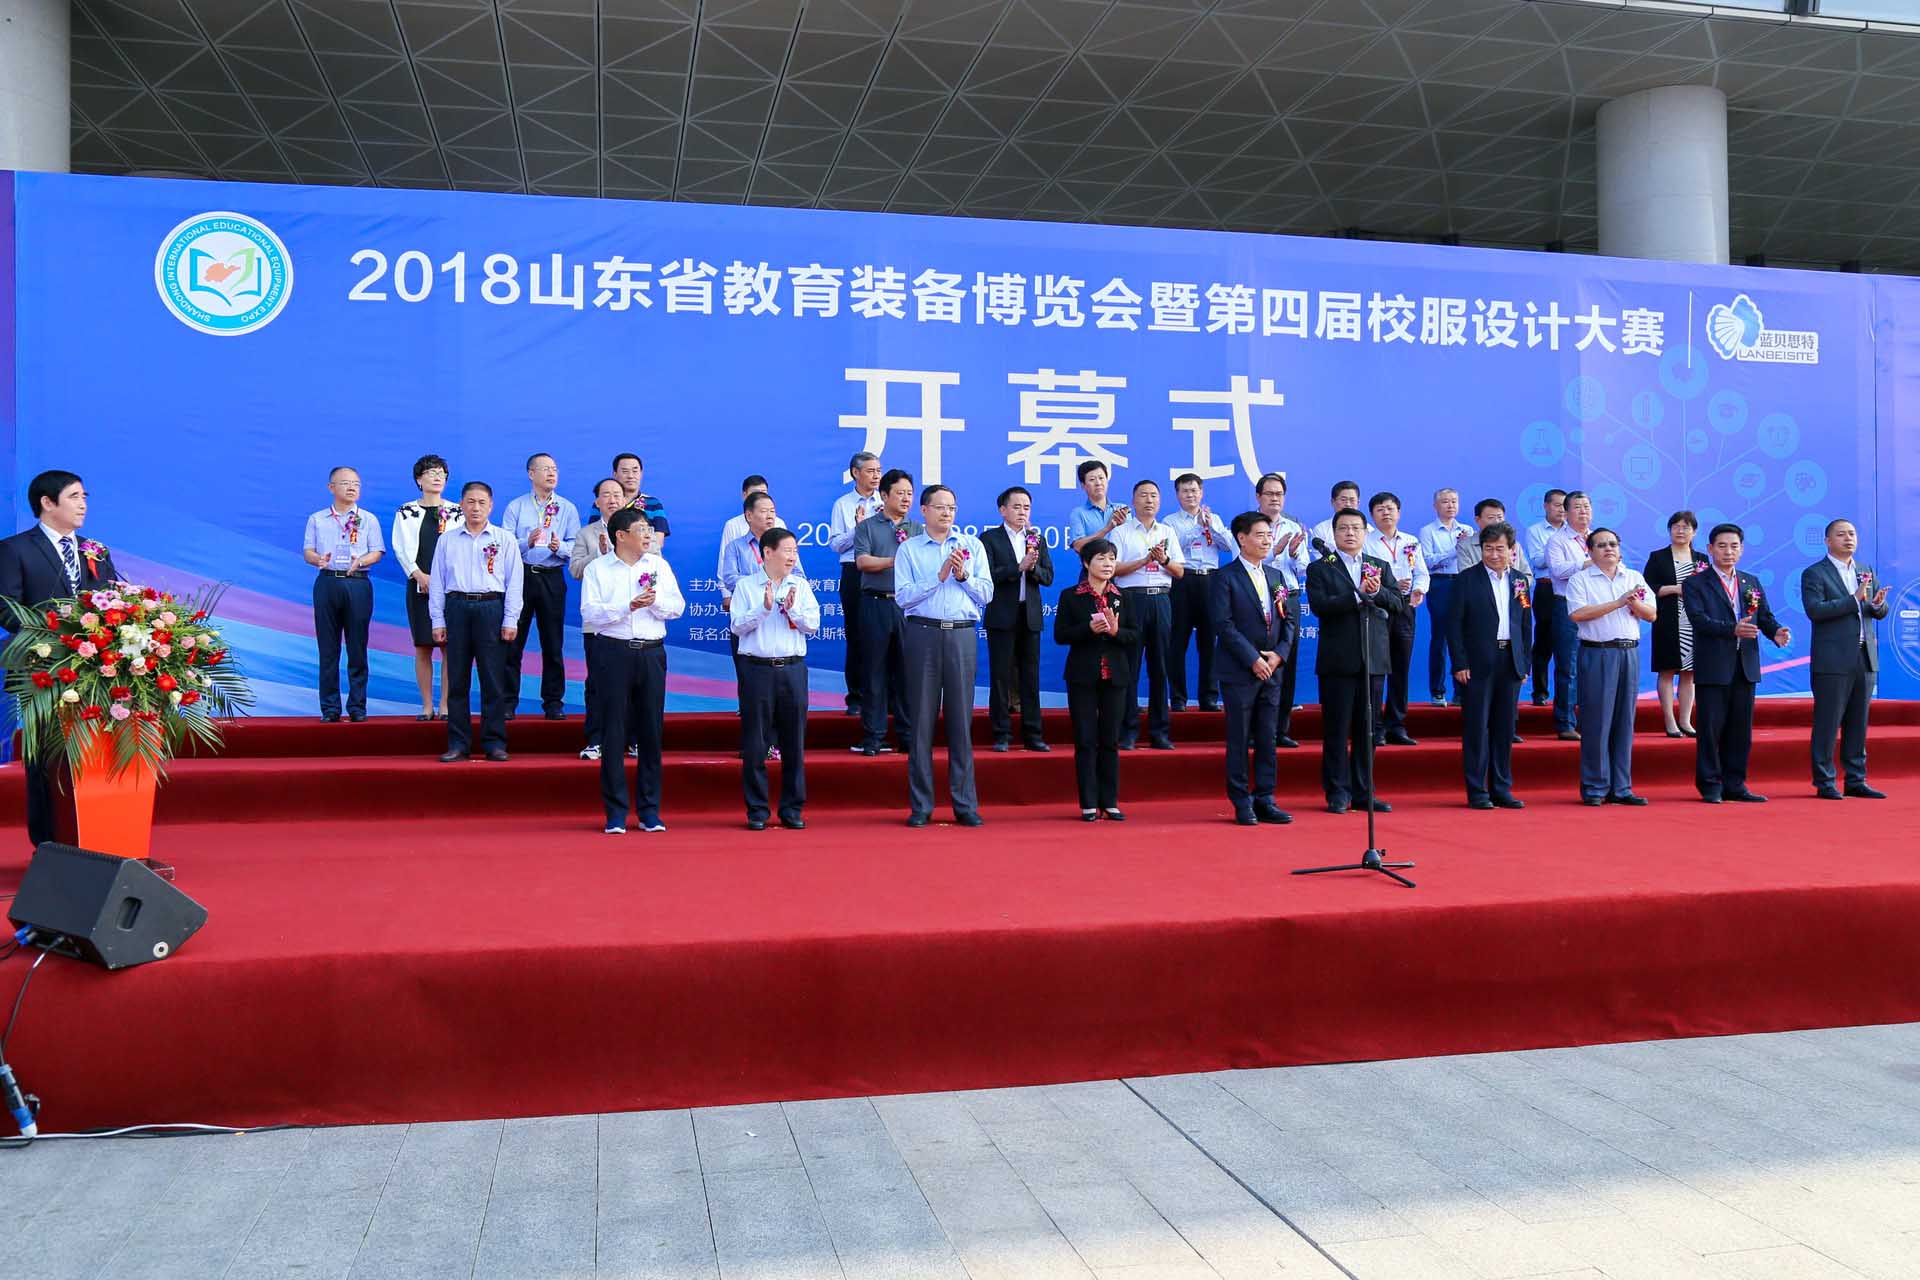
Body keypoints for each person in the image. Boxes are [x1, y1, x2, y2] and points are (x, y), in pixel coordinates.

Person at [0, 469, 121, 852]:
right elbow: (5, 607)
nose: (83, 504)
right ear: (47, 503)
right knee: (45, 758)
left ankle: (94, 837)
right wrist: (52, 631)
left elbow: (113, 600)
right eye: (74, 496)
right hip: (41, 669)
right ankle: (48, 843)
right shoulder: (15, 549)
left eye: (85, 497)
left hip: (95, 669)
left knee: (92, 753)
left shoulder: (95, 550)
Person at [581, 507, 685, 833]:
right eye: (641, 529)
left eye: (649, 530)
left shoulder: (658, 566)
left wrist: (653, 603)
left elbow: (677, 607)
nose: (648, 535)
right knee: (613, 731)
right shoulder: (598, 569)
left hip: (651, 653)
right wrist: (627, 606)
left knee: (651, 731)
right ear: (621, 535)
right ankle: (615, 812)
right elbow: (590, 613)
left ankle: (649, 811)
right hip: (612, 652)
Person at [895, 484, 992, 827]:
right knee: (921, 722)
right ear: (923, 510)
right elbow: (903, 597)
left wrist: (963, 577)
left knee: (960, 722)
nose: (947, 513)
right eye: (940, 507)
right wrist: (938, 578)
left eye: (952, 507)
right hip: (923, 633)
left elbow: (987, 593)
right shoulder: (909, 549)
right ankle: (921, 805)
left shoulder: (971, 546)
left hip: (962, 634)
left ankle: (964, 804)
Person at [1682, 522, 1790, 804]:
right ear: (1710, 549)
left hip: (1746, 665)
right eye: (1722, 546)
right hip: (1713, 666)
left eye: (1734, 546)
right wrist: (1733, 629)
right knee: (1710, 729)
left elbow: (1764, 617)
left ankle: (1736, 784)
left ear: (1741, 549)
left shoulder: (1750, 581)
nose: (1728, 551)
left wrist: (1776, 632)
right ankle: (1710, 785)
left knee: (1741, 730)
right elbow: (1699, 620)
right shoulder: (1695, 583)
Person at [1308, 509, 1405, 814]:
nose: (1350, 533)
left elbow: (1398, 603)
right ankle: (1337, 792)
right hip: (1338, 661)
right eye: (1343, 528)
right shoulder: (1321, 568)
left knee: (1368, 730)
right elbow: (1321, 606)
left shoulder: (1379, 565)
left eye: (1355, 528)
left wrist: (1377, 593)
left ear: (1365, 533)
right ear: (1334, 533)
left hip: (1373, 660)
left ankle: (1364, 792)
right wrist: (1357, 596)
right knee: (1337, 730)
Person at [730, 526, 818, 830]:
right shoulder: (746, 586)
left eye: (795, 551)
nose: (792, 557)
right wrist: (763, 609)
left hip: (793, 669)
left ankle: (792, 808)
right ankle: (757, 810)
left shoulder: (800, 586)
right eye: (787, 551)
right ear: (767, 552)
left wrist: (794, 612)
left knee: (794, 742)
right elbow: (737, 626)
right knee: (756, 742)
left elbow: (813, 625)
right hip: (757, 670)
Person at [428, 482, 524, 763]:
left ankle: (494, 742)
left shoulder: (504, 539)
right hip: (457, 607)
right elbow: (438, 582)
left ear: (491, 506)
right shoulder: (447, 540)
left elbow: (514, 582)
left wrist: (511, 619)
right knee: (457, 680)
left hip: (491, 608)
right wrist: (437, 620)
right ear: (461, 505)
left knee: (493, 680)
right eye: (470, 502)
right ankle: (458, 743)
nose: (476, 508)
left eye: (482, 502)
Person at [1210, 512, 1294, 827]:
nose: (1267, 540)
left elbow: (1289, 620)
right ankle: (1241, 800)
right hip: (1240, 670)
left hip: (1272, 669)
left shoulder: (1276, 575)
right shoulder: (1225, 577)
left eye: (1269, 535)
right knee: (1239, 737)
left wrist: (1278, 656)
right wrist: (1253, 659)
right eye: (1260, 535)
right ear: (1242, 538)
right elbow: (1223, 624)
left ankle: (1265, 798)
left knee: (1268, 736)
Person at [1565, 528, 1656, 806]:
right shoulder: (1581, 579)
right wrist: (1618, 603)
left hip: (1629, 652)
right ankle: (1595, 787)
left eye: (1613, 544)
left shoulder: (1634, 577)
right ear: (1590, 551)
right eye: (1602, 545)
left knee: (1624, 721)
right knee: (1597, 721)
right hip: (1598, 652)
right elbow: (1577, 614)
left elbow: (1652, 614)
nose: (1608, 549)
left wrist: (1634, 604)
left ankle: (1621, 788)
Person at [1802, 518, 1890, 801]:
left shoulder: (1865, 570)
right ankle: (1825, 781)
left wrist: (1878, 604)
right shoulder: (1815, 573)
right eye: (1841, 534)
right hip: (1832, 660)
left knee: (1858, 722)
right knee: (1828, 723)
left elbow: (1876, 610)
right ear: (1828, 541)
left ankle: (1856, 779)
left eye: (1852, 533)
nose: (1848, 538)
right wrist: (1853, 599)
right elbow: (1815, 610)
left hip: (1864, 657)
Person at [1448, 522, 1531, 810]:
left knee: (1504, 728)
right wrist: (1460, 662)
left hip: (1510, 661)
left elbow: (1525, 623)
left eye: (1500, 549)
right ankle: (1477, 790)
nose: (1494, 554)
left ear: (1512, 550)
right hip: (1477, 663)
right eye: (1488, 548)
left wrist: (1524, 663)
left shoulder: (1519, 581)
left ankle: (1501, 788)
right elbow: (1454, 625)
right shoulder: (1466, 580)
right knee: (1476, 727)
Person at [1054, 538, 1135, 820]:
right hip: (1082, 676)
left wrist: (1115, 632)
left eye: (1112, 558)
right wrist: (1088, 628)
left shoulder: (1124, 597)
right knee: (1085, 740)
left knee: (1110, 740)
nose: (1108, 564)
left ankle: (1110, 802)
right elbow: (1061, 635)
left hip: (1115, 675)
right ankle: (1088, 803)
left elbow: (1135, 635)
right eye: (1101, 558)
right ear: (1086, 563)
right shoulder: (1070, 596)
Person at [500, 453, 581, 721]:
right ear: (531, 474)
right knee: (513, 642)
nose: (551, 473)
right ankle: (507, 702)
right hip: (521, 577)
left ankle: (553, 703)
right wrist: (527, 543)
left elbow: (576, 546)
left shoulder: (567, 508)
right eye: (545, 469)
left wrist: (561, 547)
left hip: (552, 577)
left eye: (554, 468)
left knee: (553, 644)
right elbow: (504, 545)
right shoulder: (516, 507)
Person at [302, 466, 384, 723]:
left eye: (356, 484)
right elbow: (308, 552)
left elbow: (377, 551)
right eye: (346, 483)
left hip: (357, 583)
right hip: (327, 582)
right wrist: (318, 559)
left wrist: (361, 561)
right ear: (331, 487)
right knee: (328, 648)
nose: (352, 488)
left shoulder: (368, 519)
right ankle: (330, 708)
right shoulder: (317, 519)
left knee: (357, 647)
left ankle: (357, 706)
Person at [850, 469, 920, 755]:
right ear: (884, 495)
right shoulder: (867, 527)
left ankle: (908, 735)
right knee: (874, 672)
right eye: (900, 493)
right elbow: (862, 562)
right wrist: (896, 559)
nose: (906, 499)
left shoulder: (918, 529)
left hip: (908, 607)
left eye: (910, 494)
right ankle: (874, 736)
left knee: (907, 674)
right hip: (875, 604)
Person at [1110, 479, 1184, 751]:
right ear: (1133, 500)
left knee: (1160, 667)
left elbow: (1180, 571)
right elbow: (1113, 569)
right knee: (1129, 668)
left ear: (1160, 501)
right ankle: (1128, 731)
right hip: (1131, 599)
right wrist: (1145, 560)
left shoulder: (1167, 531)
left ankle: (1159, 732)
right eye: (1143, 495)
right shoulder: (1121, 532)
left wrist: (1163, 560)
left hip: (1161, 599)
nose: (1149, 500)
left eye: (1154, 495)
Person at [983, 485, 1053, 752]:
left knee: (1030, 677)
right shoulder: (990, 538)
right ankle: (1001, 733)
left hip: (1030, 615)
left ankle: (1033, 734)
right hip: (1002, 615)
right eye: (1017, 506)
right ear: (1003, 510)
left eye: (1026, 507)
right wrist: (1017, 567)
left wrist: (1032, 569)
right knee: (1001, 676)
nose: (1022, 512)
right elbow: (987, 574)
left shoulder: (1036, 538)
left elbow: (1048, 576)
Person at [391, 454, 456, 721]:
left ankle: (446, 704)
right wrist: (418, 574)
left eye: (441, 473)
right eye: (431, 473)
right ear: (419, 479)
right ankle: (427, 705)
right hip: (419, 584)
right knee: (423, 646)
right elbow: (400, 547)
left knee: (450, 646)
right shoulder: (406, 511)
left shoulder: (456, 511)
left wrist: (445, 580)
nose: (437, 477)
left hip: (451, 587)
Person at [570, 478, 630, 762]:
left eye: (617, 494)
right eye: (606, 495)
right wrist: (600, 553)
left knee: (633, 684)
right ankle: (596, 740)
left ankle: (632, 740)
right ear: (597, 501)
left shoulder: (638, 529)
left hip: (631, 623)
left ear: (625, 499)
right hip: (597, 624)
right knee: (597, 682)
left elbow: (651, 562)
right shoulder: (586, 534)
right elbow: (575, 570)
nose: (612, 499)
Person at [1365, 491, 1427, 747]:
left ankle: (1397, 725)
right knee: (1377, 669)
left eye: (1390, 508)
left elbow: (1422, 573)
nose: (1386, 513)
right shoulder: (1366, 542)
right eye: (1380, 509)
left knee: (1401, 668)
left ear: (1399, 513)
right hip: (1377, 607)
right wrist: (1389, 586)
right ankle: (1375, 727)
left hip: (1405, 607)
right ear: (1372, 515)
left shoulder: (1411, 541)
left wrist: (1418, 590)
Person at [1164, 473, 1231, 712]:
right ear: (1177, 495)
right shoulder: (1170, 522)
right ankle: (1178, 698)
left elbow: (1228, 546)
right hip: (1183, 580)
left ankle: (1209, 697)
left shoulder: (1214, 518)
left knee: (1209, 641)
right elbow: (1174, 549)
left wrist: (1211, 525)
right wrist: (1197, 528)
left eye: (1194, 490)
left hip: (1211, 581)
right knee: (1177, 641)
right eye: (1185, 491)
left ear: (1201, 493)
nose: (1190, 495)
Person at [1253, 473, 1309, 747]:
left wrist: (1296, 553)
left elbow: (1304, 569)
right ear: (1259, 497)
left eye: (1279, 494)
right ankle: (1257, 731)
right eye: (1270, 493)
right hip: (1259, 599)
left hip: (1289, 599)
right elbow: (1248, 561)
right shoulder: (1249, 525)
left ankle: (1281, 730)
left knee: (1287, 662)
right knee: (1260, 662)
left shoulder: (1293, 526)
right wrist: (1274, 551)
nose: (1275, 498)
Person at [827, 452, 883, 718]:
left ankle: (884, 696)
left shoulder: (886, 501)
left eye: (878, 470)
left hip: (885, 570)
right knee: (857, 635)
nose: (876, 476)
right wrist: (858, 529)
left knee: (884, 634)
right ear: (855, 473)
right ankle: (857, 697)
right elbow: (836, 544)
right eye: (870, 471)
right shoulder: (843, 504)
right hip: (854, 572)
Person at [1643, 511, 1708, 738]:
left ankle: (1685, 721)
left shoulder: (1701, 559)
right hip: (1667, 620)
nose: (1681, 531)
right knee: (1667, 670)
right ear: (1669, 530)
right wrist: (1676, 589)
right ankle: (1670, 721)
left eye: (1686, 527)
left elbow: (1709, 588)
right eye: (1676, 526)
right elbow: (1646, 587)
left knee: (1689, 673)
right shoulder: (1658, 557)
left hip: (1693, 621)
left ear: (1694, 532)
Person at [720, 492, 790, 692]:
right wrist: (765, 582)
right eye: (764, 511)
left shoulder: (786, 547)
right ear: (749, 516)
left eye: (773, 511)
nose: (770, 516)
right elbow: (730, 578)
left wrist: (770, 586)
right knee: (748, 676)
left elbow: (799, 575)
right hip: (748, 613)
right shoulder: (736, 547)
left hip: (780, 615)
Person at [1543, 490, 1595, 741]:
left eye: (1587, 506)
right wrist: (1587, 563)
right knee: (1569, 665)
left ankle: (1590, 720)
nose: (1583, 511)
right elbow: (1557, 570)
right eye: (1578, 507)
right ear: (1566, 512)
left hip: (1597, 607)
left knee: (1593, 665)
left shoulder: (1599, 538)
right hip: (1567, 606)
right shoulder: (1557, 540)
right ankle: (1565, 722)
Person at [1418, 487, 1472, 706]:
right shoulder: (1427, 531)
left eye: (1454, 501)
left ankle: (1462, 692)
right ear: (1435, 506)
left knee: (1464, 637)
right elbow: (1428, 561)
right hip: (1440, 583)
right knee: (1440, 638)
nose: (1450, 505)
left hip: (1464, 582)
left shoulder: (1467, 530)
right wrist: (1455, 549)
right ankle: (1438, 690)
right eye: (1445, 501)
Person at [1525, 488, 1569, 709]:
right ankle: (1540, 692)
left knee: (1569, 643)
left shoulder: (1575, 532)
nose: (1561, 510)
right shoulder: (1535, 531)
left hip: (1572, 590)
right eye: (1557, 505)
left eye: (1564, 506)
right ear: (1546, 506)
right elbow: (1538, 561)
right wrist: (1558, 548)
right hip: (1547, 589)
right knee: (1544, 641)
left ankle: (1569, 693)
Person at [1067, 459, 1128, 552]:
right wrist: (1107, 529)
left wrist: (1124, 526)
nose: (1098, 483)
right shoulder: (1078, 513)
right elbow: (1078, 546)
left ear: (1107, 481)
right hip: (1092, 561)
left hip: (1122, 561)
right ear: (1083, 485)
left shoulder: (1121, 509)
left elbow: (1132, 542)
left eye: (1101, 478)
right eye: (1092, 479)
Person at [611, 452, 670, 544]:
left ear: (641, 474)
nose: (630, 476)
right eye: (625, 471)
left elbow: (658, 542)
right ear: (615, 474)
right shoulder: (605, 503)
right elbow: (594, 535)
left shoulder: (653, 504)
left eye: (635, 471)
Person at [717, 474, 769, 571]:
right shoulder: (733, 525)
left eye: (764, 494)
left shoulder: (778, 523)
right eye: (755, 494)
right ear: (744, 496)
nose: (760, 498)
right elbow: (724, 568)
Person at [1309, 480, 1371, 549]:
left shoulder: (1368, 530)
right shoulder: (1322, 530)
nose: (1348, 504)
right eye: (1343, 500)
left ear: (1358, 503)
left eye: (1352, 500)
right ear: (1333, 502)